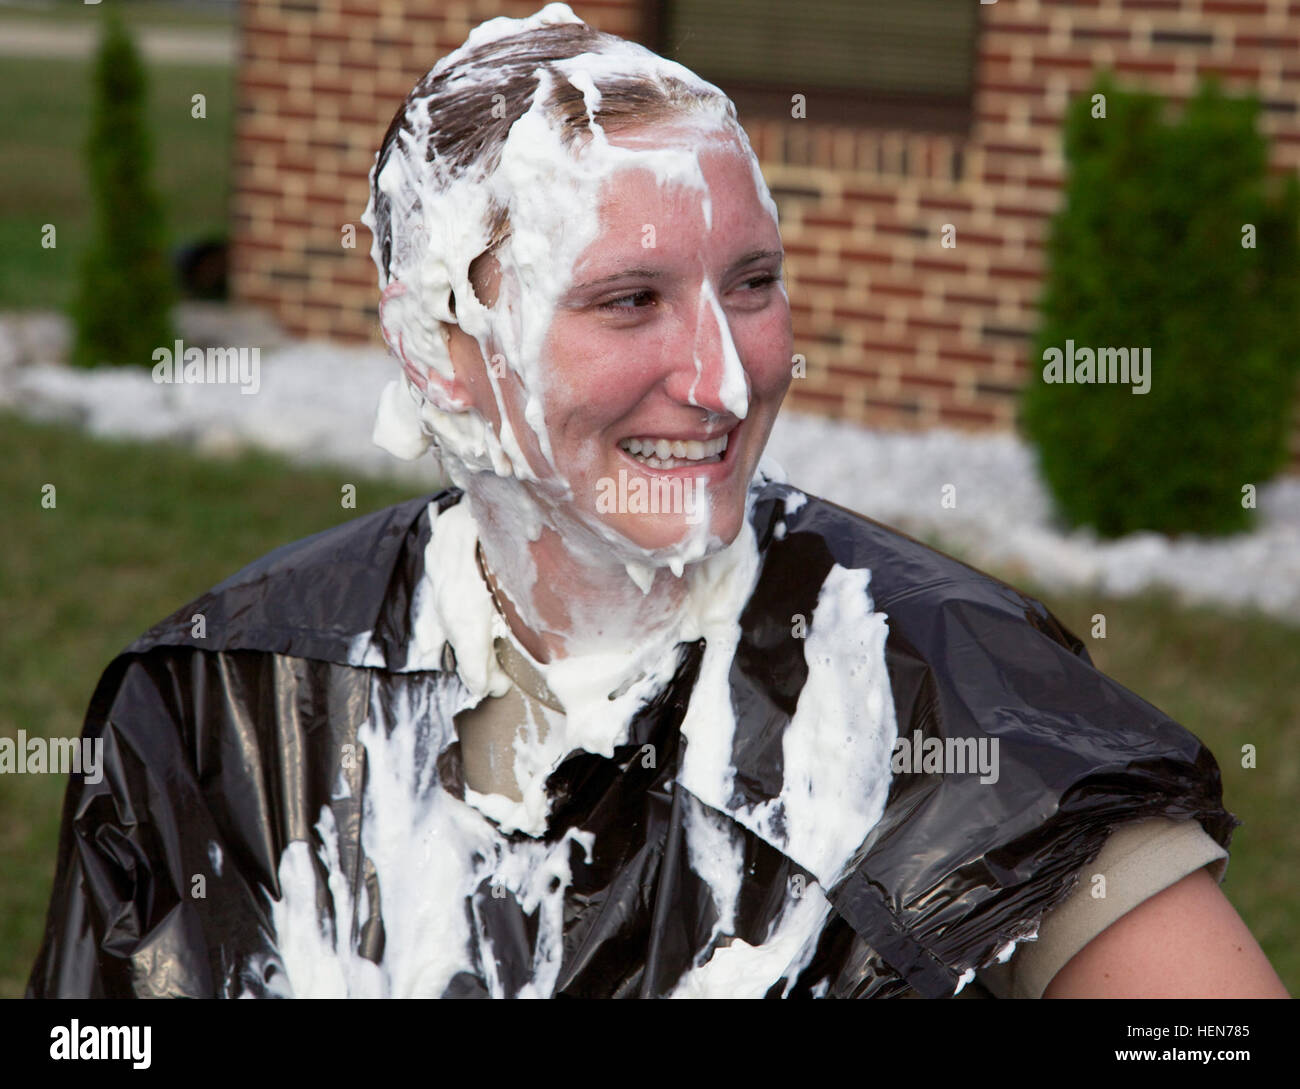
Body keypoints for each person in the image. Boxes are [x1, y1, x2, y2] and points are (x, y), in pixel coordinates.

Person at [28, 3, 1286, 999]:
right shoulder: (228, 699)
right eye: (630, 300)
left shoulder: (955, 695)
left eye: (751, 282)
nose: (725, 379)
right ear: (440, 351)